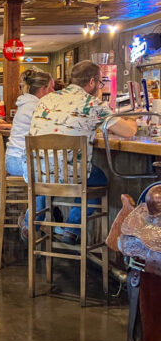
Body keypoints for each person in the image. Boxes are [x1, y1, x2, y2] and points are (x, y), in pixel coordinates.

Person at [21, 60, 138, 244]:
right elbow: (128, 131)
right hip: (69, 177)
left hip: (36, 173)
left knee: (50, 173)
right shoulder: (94, 104)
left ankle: (31, 224)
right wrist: (134, 120)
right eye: (100, 83)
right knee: (99, 178)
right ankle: (71, 228)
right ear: (92, 82)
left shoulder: (46, 99)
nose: (100, 87)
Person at [5, 68, 55, 176]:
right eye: (51, 88)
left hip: (13, 159)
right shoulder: (36, 108)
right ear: (43, 89)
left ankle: (41, 193)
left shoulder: (26, 104)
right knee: (64, 172)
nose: (53, 92)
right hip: (20, 162)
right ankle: (41, 193)